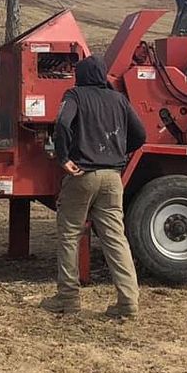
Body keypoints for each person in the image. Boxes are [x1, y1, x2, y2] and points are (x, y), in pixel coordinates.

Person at [42, 56, 144, 319]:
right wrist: (119, 152)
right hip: (113, 177)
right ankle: (128, 302)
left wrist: (64, 158)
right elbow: (140, 134)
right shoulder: (119, 99)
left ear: (81, 75)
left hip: (83, 175)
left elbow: (63, 123)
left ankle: (68, 299)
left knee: (69, 235)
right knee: (115, 239)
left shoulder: (74, 95)